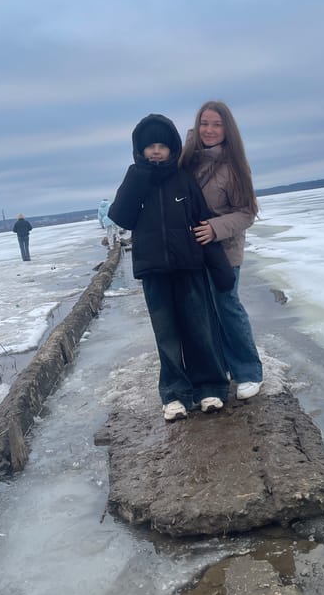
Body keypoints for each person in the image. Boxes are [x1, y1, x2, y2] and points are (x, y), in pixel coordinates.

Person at [108, 113, 232, 422]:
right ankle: (175, 395)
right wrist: (139, 176)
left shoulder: (182, 178)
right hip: (154, 271)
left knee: (199, 329)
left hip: (189, 267)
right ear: (141, 150)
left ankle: (210, 387)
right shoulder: (136, 178)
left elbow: (201, 220)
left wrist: (220, 268)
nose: (156, 151)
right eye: (150, 146)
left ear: (172, 148)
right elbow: (121, 217)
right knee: (167, 335)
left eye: (162, 145)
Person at [180, 100, 263, 400]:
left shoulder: (235, 165)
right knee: (204, 311)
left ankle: (249, 372)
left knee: (227, 307)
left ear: (227, 128)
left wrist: (215, 229)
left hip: (224, 251)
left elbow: (246, 213)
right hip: (192, 251)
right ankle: (221, 368)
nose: (210, 130)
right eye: (204, 123)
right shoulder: (187, 160)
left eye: (217, 124)